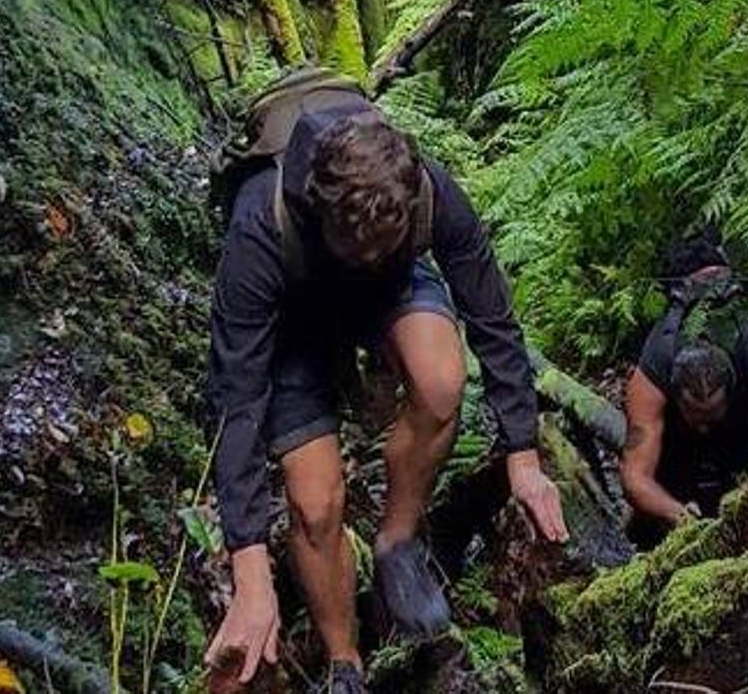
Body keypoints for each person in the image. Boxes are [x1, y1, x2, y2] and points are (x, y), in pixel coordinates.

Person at [202, 73, 568, 693]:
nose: (370, 250)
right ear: (322, 212)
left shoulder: (425, 191)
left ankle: (397, 541)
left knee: (442, 380)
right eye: (358, 245)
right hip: (296, 323)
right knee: (315, 505)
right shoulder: (261, 223)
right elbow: (235, 395)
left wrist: (523, 455)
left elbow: (492, 317)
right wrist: (251, 570)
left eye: (384, 240)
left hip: (390, 292)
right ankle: (345, 660)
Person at [620, 234, 748, 547]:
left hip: (742, 452)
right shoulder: (655, 365)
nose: (704, 424)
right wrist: (680, 517)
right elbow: (635, 477)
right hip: (677, 468)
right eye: (696, 415)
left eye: (711, 413)